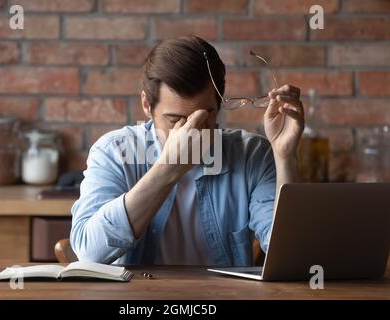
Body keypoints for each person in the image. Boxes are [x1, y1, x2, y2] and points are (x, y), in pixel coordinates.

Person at [70, 36, 304, 266]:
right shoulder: (115, 151)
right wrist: (168, 169)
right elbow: (90, 253)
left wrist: (284, 156)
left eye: (205, 116)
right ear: (146, 105)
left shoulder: (252, 154)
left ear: (219, 105)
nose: (192, 130)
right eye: (175, 119)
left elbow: (292, 256)